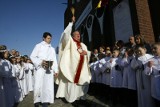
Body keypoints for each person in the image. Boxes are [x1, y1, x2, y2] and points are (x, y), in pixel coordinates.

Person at [55, 16, 91, 104]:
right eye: (76, 35)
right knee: (72, 84)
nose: (78, 36)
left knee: (84, 82)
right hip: (73, 68)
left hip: (83, 68)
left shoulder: (83, 45)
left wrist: (87, 53)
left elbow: (87, 53)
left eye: (79, 35)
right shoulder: (70, 42)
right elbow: (65, 34)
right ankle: (72, 99)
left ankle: (82, 98)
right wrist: (71, 23)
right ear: (73, 36)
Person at [30, 32, 58, 107]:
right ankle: (36, 102)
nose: (50, 40)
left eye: (51, 38)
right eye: (48, 38)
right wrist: (40, 62)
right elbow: (32, 56)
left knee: (47, 86)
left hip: (49, 70)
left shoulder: (52, 49)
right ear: (44, 38)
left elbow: (54, 60)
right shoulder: (38, 46)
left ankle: (45, 101)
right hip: (40, 69)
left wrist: (56, 70)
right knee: (38, 85)